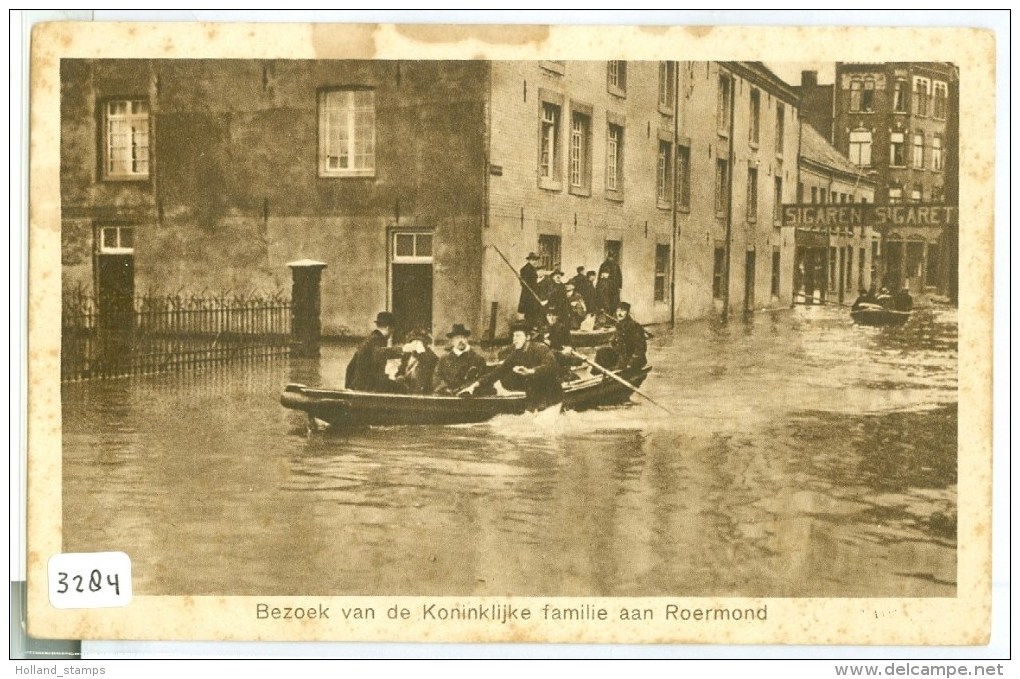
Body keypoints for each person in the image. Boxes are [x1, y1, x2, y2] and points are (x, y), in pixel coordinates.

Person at [460, 321, 563, 410]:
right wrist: (473, 386)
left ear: (527, 337)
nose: (514, 339)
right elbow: (497, 372)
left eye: (518, 336)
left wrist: (530, 371)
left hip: (552, 394)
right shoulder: (515, 354)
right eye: (514, 336)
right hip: (534, 396)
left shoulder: (541, 348)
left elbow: (550, 367)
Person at [345, 311, 416, 392]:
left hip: (362, 385)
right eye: (393, 330)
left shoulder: (370, 339)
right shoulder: (376, 339)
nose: (391, 334)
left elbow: (350, 367)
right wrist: (403, 349)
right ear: (388, 327)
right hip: (368, 387)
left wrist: (350, 387)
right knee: (402, 389)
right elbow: (379, 353)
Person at [432, 324, 489, 395]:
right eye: (457, 338)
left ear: (467, 339)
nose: (460, 340)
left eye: (463, 337)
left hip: (468, 398)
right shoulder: (443, 359)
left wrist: (464, 389)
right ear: (452, 341)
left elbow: (481, 379)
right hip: (447, 397)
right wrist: (446, 390)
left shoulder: (478, 359)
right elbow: (437, 378)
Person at [393, 329, 439, 395]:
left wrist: (421, 353)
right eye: (413, 341)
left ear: (425, 344)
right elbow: (401, 370)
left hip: (422, 392)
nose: (416, 344)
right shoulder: (407, 355)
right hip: (406, 390)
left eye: (419, 342)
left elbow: (427, 366)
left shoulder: (431, 356)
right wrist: (400, 376)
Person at [609, 302, 647, 371]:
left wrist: (631, 362)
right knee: (601, 352)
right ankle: (598, 374)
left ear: (628, 313)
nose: (619, 314)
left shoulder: (634, 326)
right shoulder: (618, 325)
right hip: (622, 355)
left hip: (634, 358)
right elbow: (613, 342)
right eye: (618, 311)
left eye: (622, 311)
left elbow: (641, 347)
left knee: (621, 367)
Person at [517, 252, 544, 330]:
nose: (535, 261)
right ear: (529, 260)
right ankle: (529, 332)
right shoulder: (525, 269)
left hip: (533, 294)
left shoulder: (533, 269)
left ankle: (532, 331)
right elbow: (525, 284)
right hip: (528, 295)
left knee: (533, 314)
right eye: (533, 260)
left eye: (536, 260)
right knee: (529, 314)